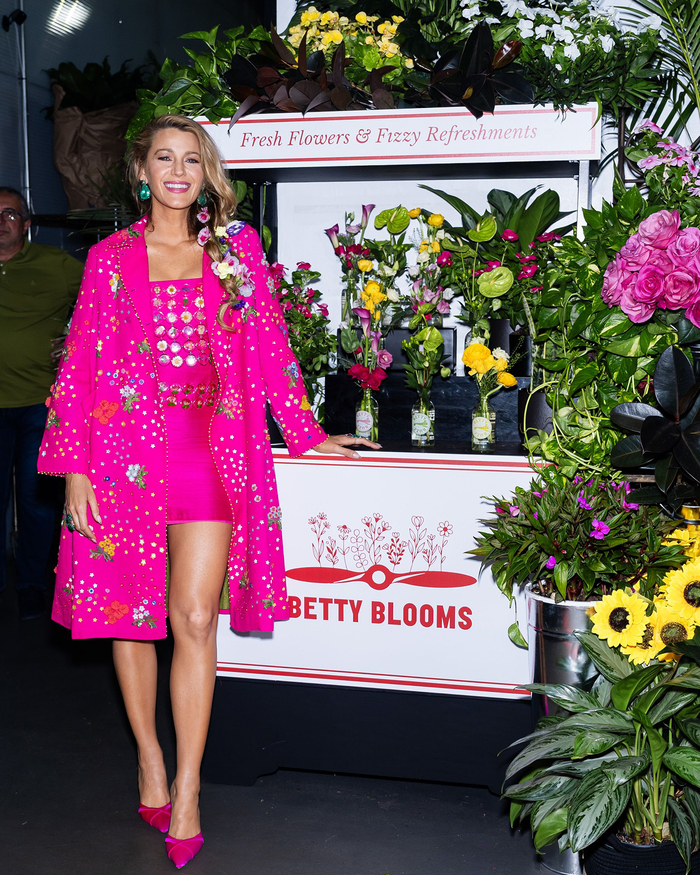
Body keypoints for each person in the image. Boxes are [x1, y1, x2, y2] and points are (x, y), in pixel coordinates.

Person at [37, 115, 377, 869]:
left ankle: (188, 787)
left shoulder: (235, 250)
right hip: (122, 453)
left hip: (207, 449)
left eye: (192, 159)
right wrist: (74, 467)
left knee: (194, 616)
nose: (178, 171)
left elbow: (271, 344)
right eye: (164, 158)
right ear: (141, 172)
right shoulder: (110, 259)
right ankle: (150, 758)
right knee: (132, 617)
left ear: (207, 173)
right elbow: (82, 360)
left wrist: (305, 430)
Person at [0, 186, 83, 620]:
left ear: (27, 225)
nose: (1, 222)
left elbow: (105, 305)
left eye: (10, 214)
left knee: (35, 502)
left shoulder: (58, 265)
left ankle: (32, 584)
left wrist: (73, 340)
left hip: (41, 403)